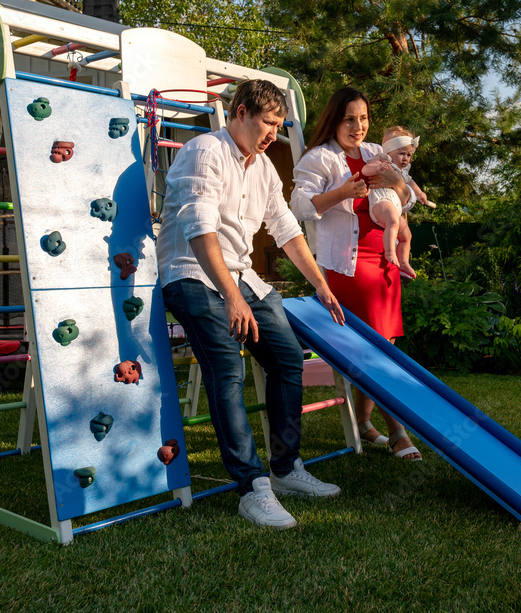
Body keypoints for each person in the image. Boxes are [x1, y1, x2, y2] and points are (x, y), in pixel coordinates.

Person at [157, 79, 346, 530]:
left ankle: (285, 468)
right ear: (240, 112)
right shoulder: (205, 151)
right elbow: (199, 230)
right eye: (268, 123)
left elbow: (286, 228)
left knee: (288, 358)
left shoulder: (263, 168)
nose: (272, 135)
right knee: (229, 369)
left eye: (279, 126)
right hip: (189, 273)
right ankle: (251, 487)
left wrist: (320, 284)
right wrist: (231, 297)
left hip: (241, 277)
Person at [290, 87, 422, 461]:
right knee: (376, 351)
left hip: (385, 260)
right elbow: (299, 206)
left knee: (382, 347)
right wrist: (343, 191)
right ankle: (397, 431)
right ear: (335, 120)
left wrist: (399, 186)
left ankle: (364, 423)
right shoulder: (319, 158)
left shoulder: (376, 153)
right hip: (349, 264)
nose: (358, 126)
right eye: (350, 119)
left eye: (363, 118)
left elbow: (407, 199)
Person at [380, 126, 427, 279]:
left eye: (409, 155)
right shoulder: (385, 164)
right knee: (393, 222)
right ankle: (390, 253)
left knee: (406, 235)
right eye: (401, 153)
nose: (406, 158)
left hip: (394, 209)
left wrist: (419, 193)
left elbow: (409, 181)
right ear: (388, 152)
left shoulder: (403, 171)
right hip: (383, 205)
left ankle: (404, 262)